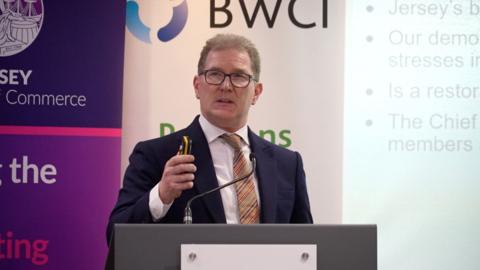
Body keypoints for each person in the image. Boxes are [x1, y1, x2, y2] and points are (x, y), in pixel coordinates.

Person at [107, 33, 312, 243]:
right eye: (215, 74)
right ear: (197, 86)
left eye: (239, 77)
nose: (225, 86)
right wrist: (161, 195)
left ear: (257, 92)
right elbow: (116, 235)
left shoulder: (287, 164)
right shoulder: (156, 155)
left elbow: (307, 246)